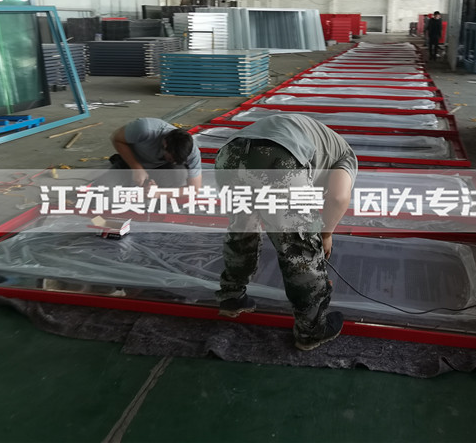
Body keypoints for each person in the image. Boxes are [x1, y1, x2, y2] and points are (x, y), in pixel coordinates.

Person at [213, 114, 358, 351]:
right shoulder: (347, 157)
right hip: (279, 156)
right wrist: (325, 234)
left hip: (229, 154)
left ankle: (232, 296)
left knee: (242, 228)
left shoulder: (320, 140)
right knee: (298, 246)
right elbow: (339, 197)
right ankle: (311, 330)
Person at [110, 118, 202, 189]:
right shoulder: (145, 129)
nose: (174, 162)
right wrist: (136, 168)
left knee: (179, 173)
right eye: (171, 158)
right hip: (132, 161)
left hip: (161, 167)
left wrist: (158, 193)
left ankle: (150, 186)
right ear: (165, 144)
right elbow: (116, 138)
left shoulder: (193, 152)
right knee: (106, 192)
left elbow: (194, 189)